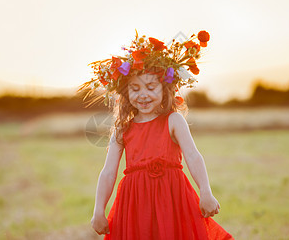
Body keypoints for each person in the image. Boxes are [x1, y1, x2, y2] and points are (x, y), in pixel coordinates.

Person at [79, 30, 234, 239]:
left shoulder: (173, 120)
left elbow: (193, 156)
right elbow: (108, 173)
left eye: (151, 87)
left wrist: (205, 191)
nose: (143, 94)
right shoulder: (122, 128)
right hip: (135, 204)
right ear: (126, 94)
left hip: (173, 199)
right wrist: (99, 210)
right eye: (134, 88)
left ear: (165, 90)